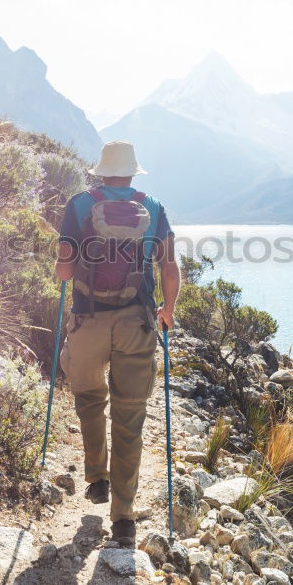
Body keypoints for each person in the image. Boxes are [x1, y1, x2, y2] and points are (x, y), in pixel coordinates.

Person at [55, 140, 180, 546]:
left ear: (100, 172)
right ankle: (124, 517)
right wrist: (168, 310)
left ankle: (97, 478)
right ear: (132, 173)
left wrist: (68, 265)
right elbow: (169, 266)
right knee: (129, 417)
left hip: (89, 320)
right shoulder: (155, 208)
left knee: (90, 398)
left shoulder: (78, 205)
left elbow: (63, 271)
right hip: (136, 321)